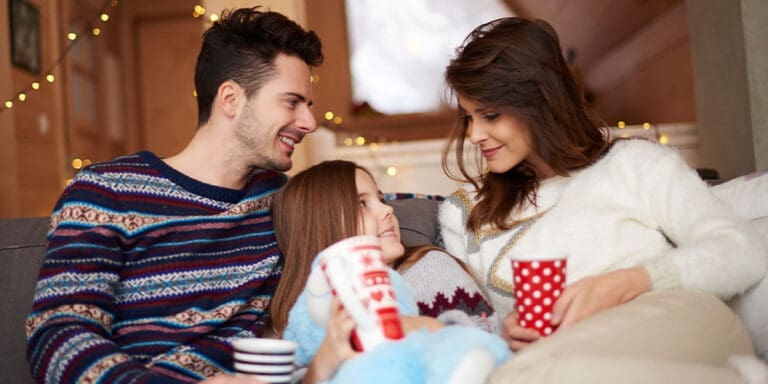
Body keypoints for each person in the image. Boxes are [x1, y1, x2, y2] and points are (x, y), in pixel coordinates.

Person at [438, 17, 767, 382]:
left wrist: (629, 282)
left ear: (540, 103)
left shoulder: (635, 163)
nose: (474, 135)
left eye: (490, 115)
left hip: (673, 316)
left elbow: (742, 251)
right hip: (560, 355)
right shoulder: (465, 213)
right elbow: (472, 326)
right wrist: (505, 329)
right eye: (468, 117)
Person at [25, 7, 323, 384]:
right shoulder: (106, 191)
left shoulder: (281, 201)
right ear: (231, 99)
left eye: (308, 106)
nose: (309, 122)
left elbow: (370, 202)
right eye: (292, 101)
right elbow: (59, 334)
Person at [266, 159, 501, 382]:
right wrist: (321, 365)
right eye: (362, 204)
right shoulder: (303, 313)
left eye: (381, 199)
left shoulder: (427, 266)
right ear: (321, 225)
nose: (387, 210)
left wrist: (418, 326)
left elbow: (486, 337)